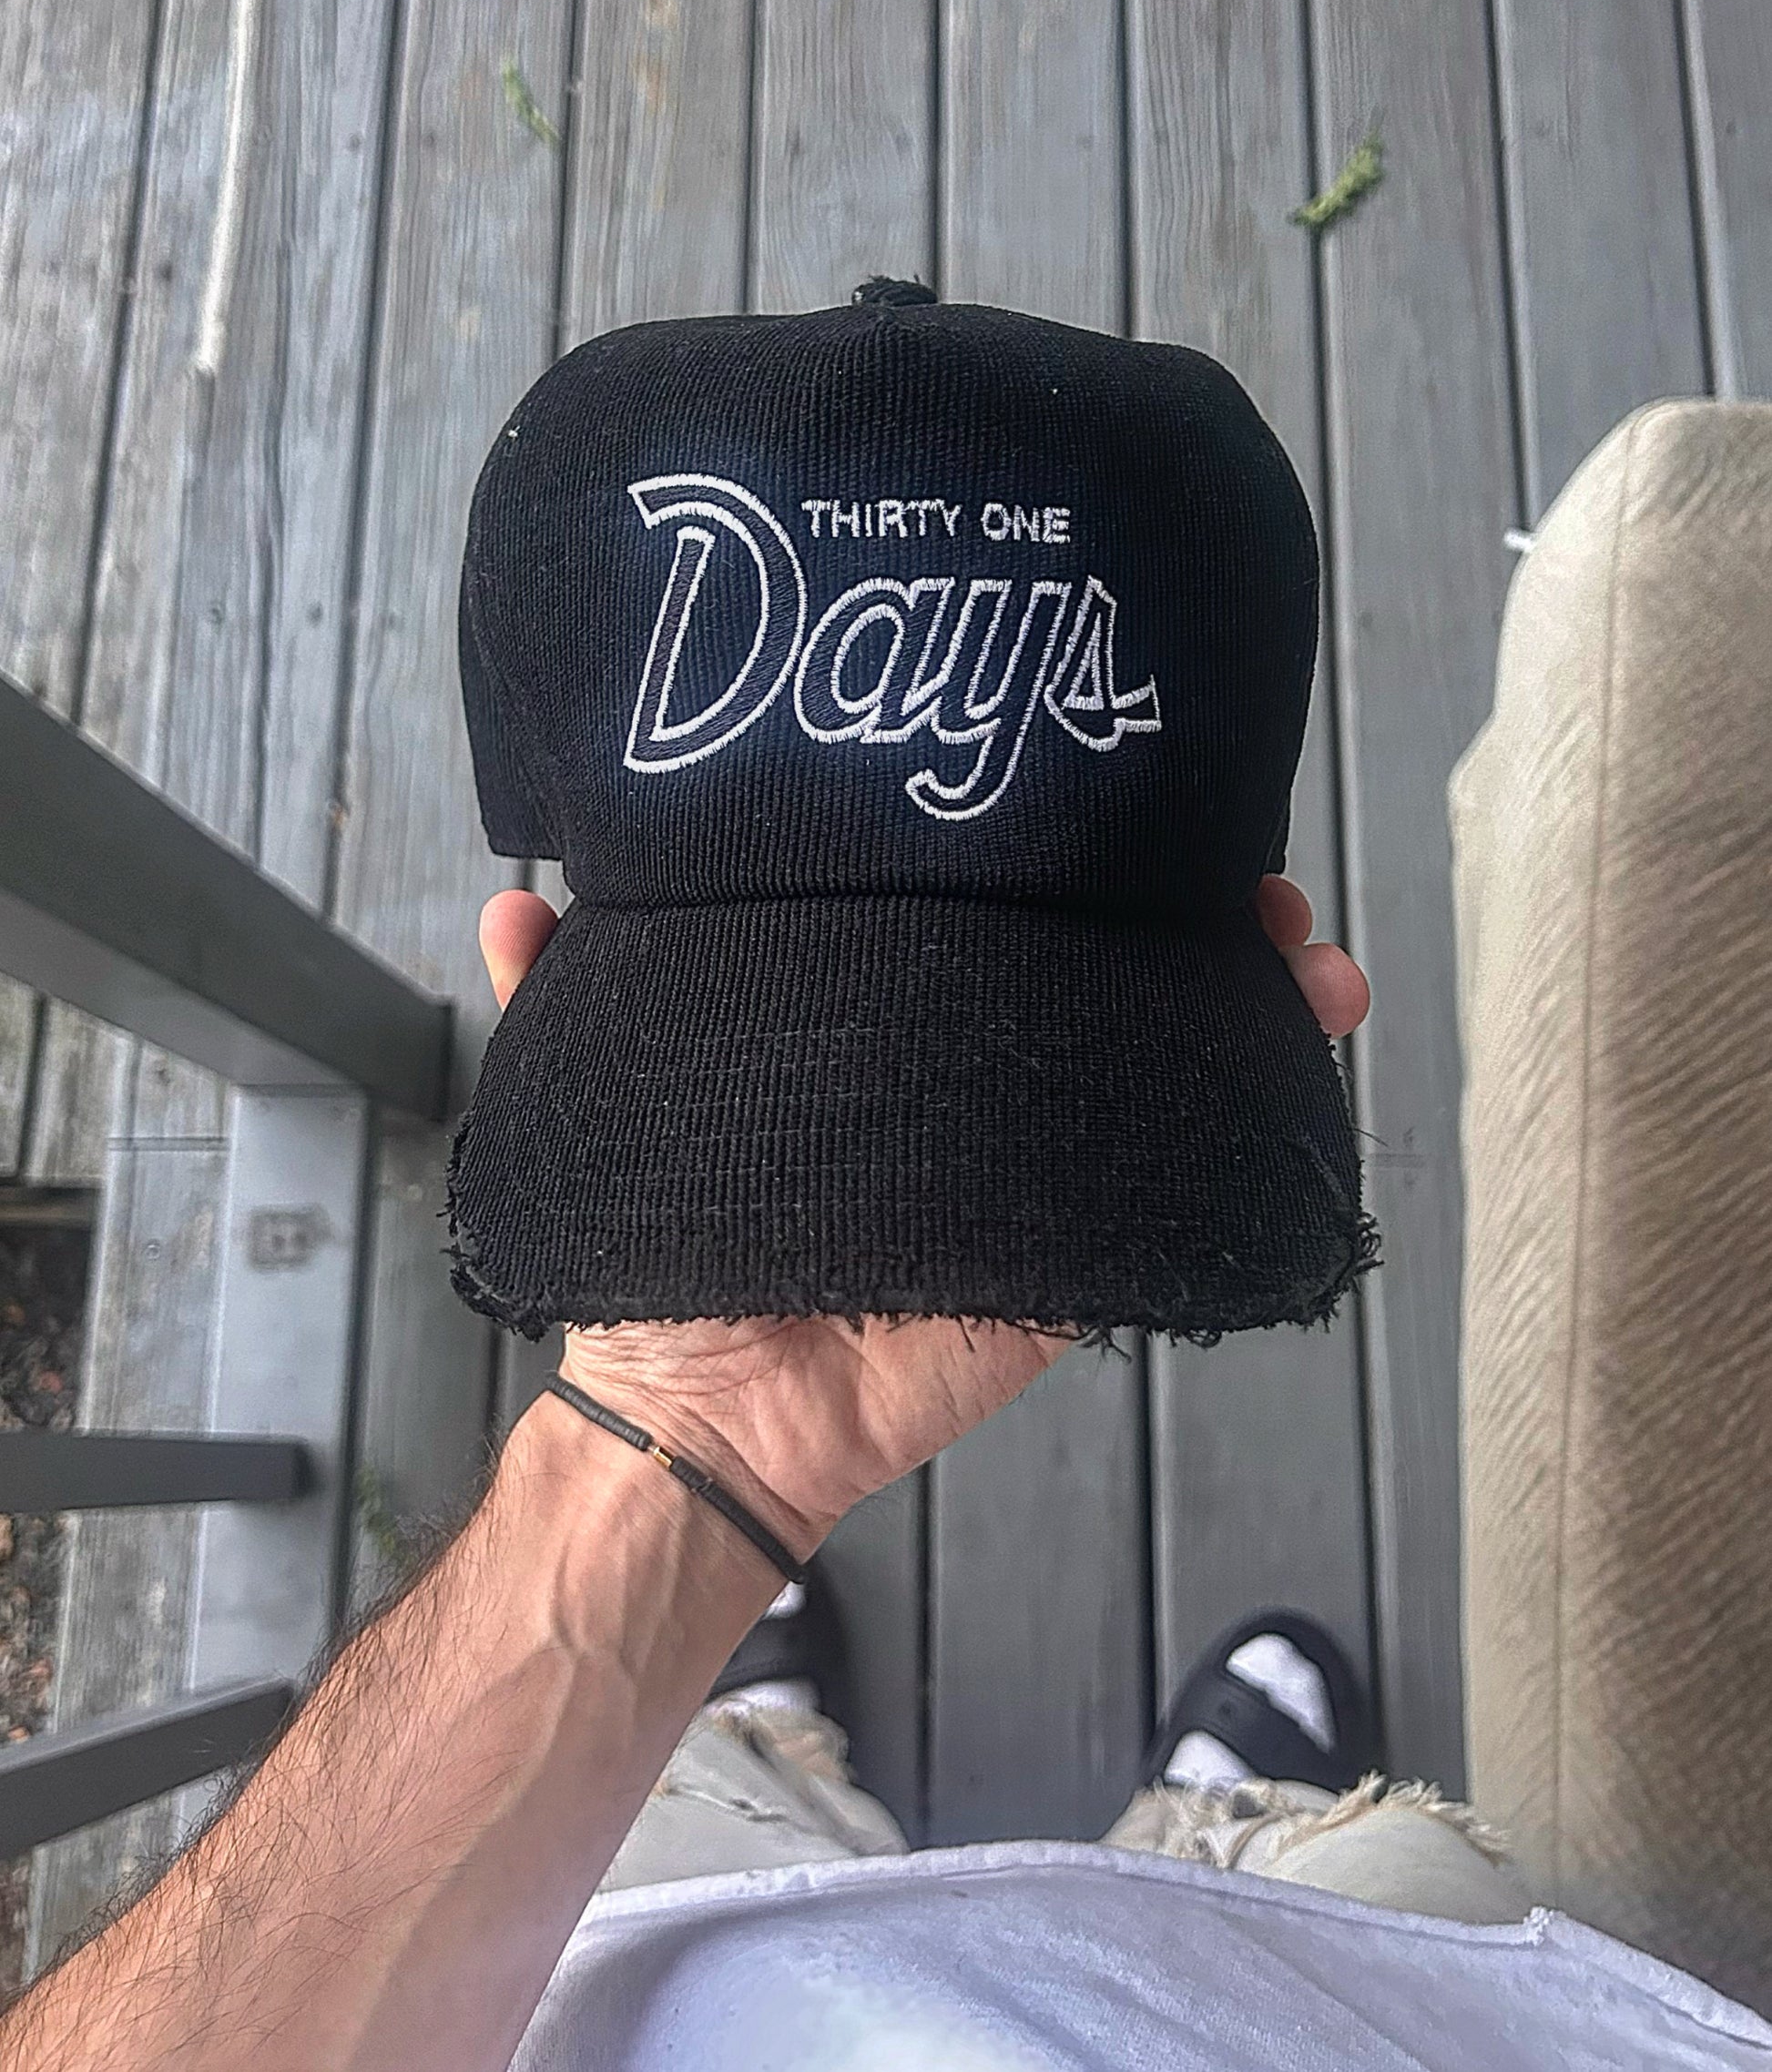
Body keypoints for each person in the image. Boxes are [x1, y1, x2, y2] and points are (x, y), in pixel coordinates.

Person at [5, 880, 1764, 2072]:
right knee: (1339, 1887)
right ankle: (1208, 1833)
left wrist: (683, 1451)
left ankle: (771, 1739)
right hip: (1353, 2016)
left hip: (624, 1971)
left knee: (694, 1803)